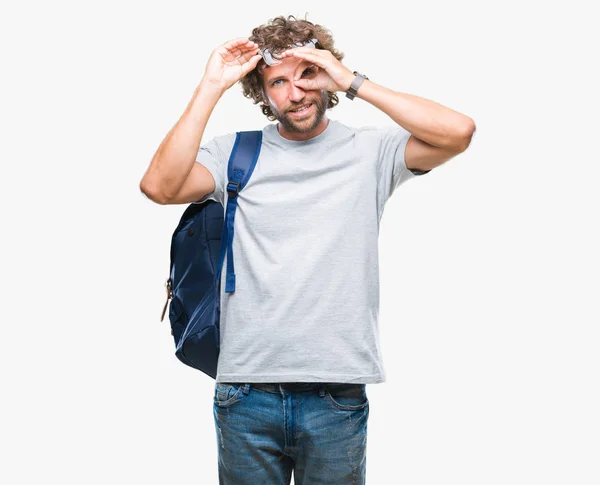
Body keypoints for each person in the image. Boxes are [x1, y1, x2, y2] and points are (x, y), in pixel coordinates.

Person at [140, 14, 475, 485]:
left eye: (307, 74)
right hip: (246, 392)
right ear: (262, 91)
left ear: (327, 76)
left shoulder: (370, 152)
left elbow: (458, 132)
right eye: (278, 81)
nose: (294, 93)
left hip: (335, 394)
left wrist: (351, 79)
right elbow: (159, 186)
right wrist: (211, 86)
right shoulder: (234, 152)